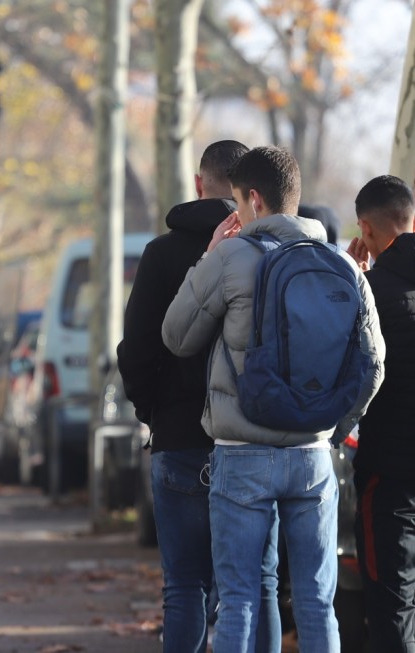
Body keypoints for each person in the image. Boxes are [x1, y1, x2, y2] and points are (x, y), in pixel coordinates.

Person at [161, 146, 385, 653]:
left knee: (239, 599)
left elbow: (176, 336)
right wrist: (330, 425)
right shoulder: (341, 265)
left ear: (254, 200)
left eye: (238, 204)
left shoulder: (231, 258)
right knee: (317, 603)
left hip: (242, 455)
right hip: (312, 457)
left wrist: (209, 255)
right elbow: (373, 365)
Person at [118, 139, 272, 652]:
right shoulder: (267, 252)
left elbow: (137, 349)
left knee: (184, 585)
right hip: (252, 442)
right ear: (251, 190)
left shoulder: (161, 254)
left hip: (179, 436)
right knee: (253, 586)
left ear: (198, 183)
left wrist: (153, 411)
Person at [345, 174, 415, 653]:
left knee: (392, 608)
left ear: (365, 228)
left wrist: (353, 279)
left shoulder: (369, 293)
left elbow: (346, 370)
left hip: (389, 481)